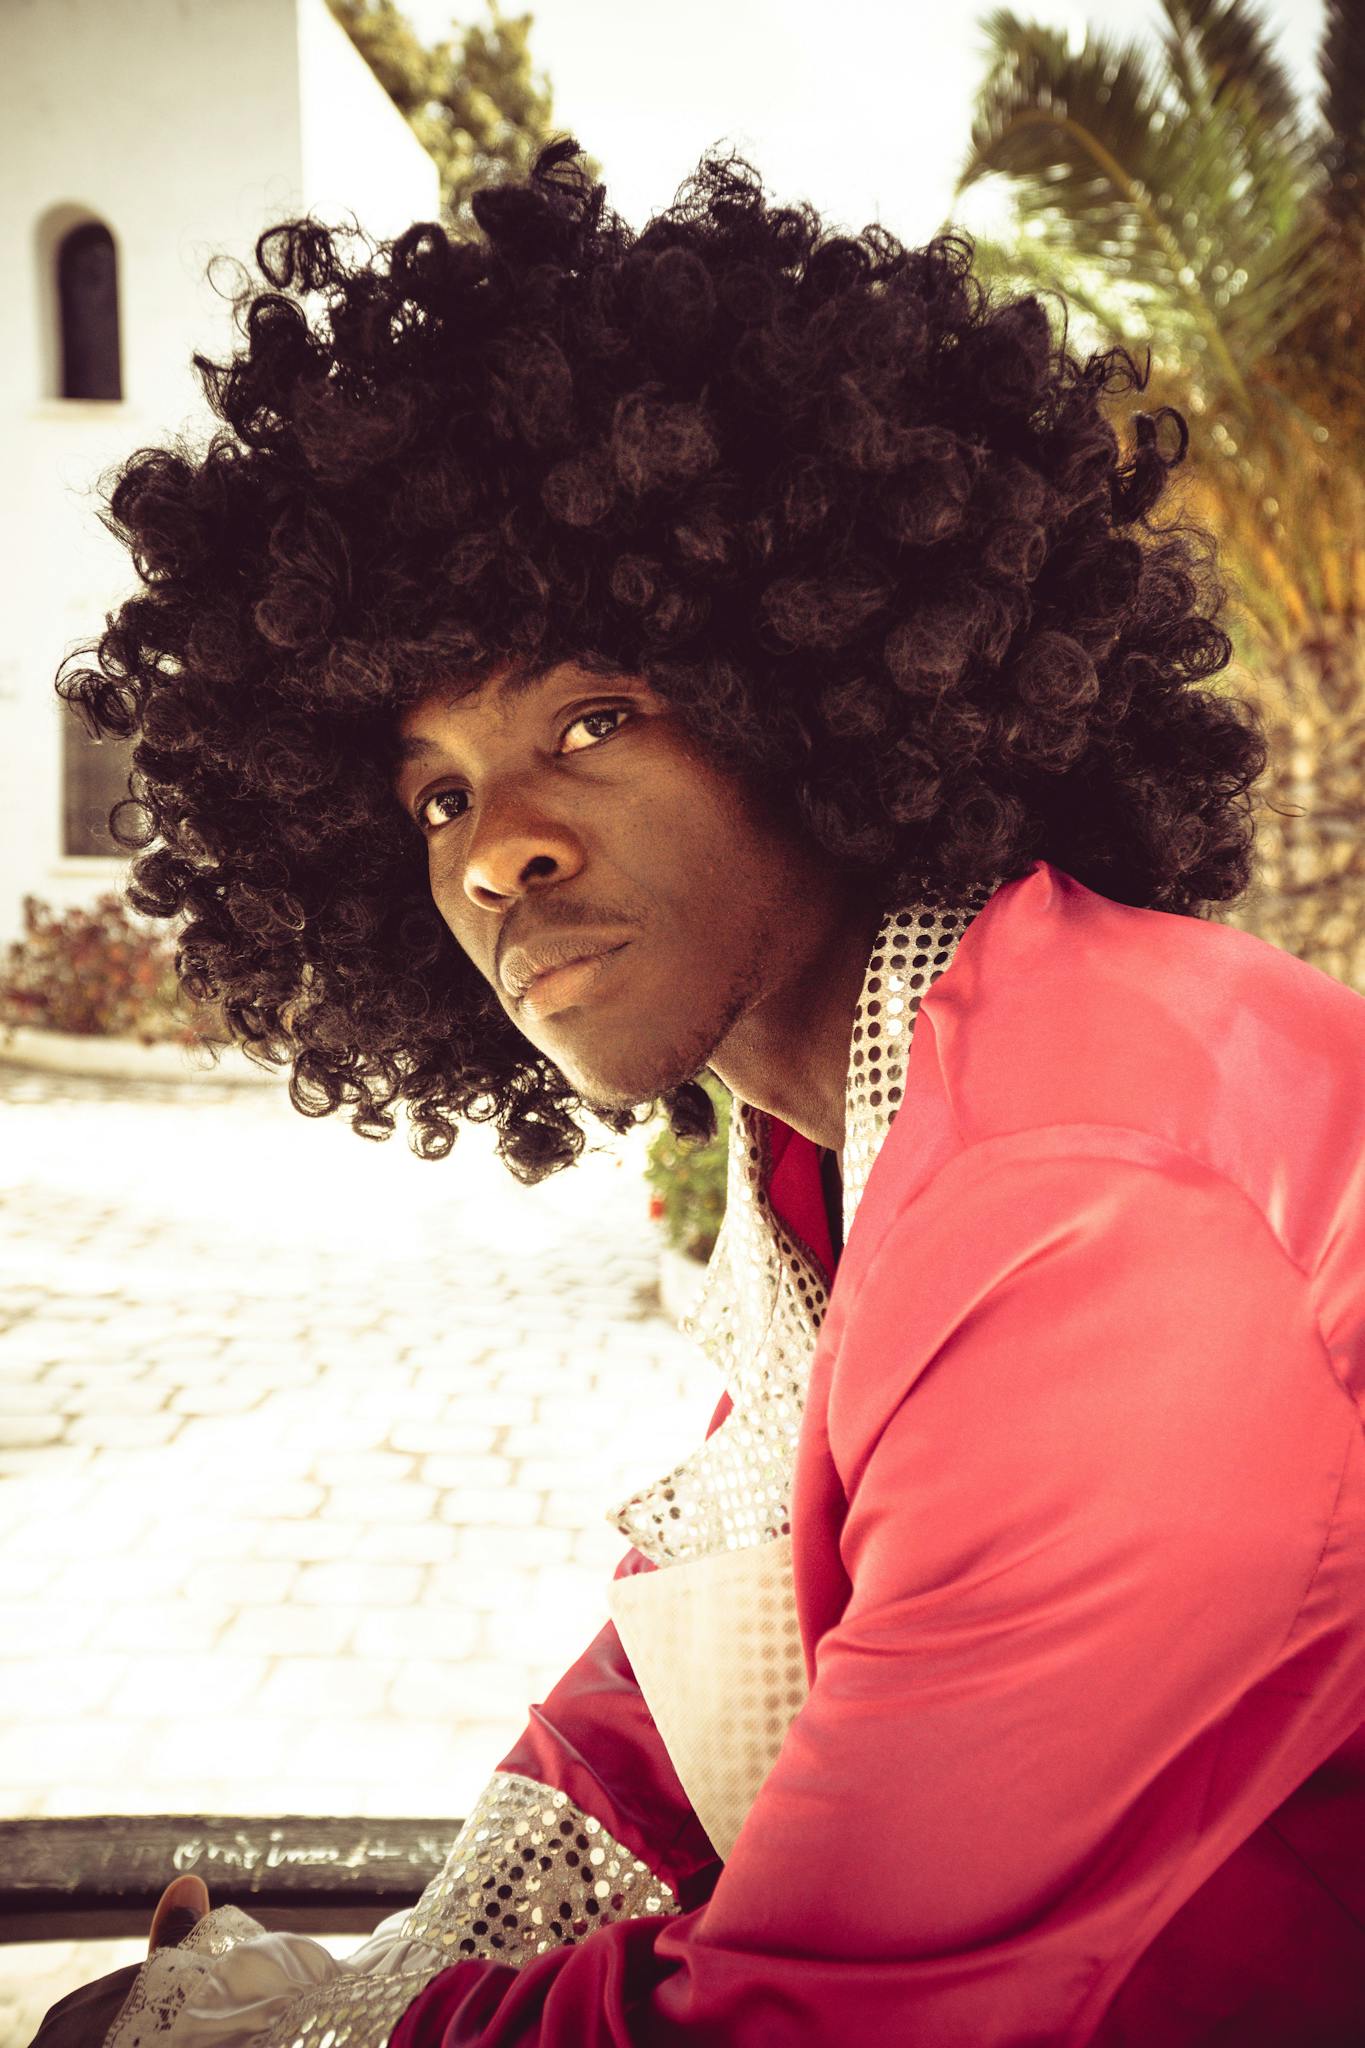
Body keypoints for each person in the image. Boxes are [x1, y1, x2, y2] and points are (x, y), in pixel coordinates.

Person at [32, 137, 1365, 2047]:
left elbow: (819, 2020)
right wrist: (405, 1957)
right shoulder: (869, 1117)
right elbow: (708, 1642)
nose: (496, 853)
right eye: (431, 794)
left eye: (592, 718)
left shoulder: (1087, 1202)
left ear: (823, 676)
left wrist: (317, 2038)